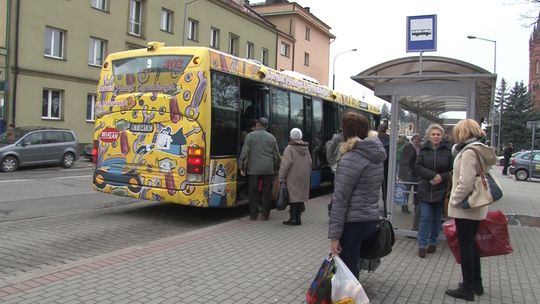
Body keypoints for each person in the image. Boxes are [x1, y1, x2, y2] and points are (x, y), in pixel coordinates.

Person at [328, 112, 386, 278]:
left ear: (346, 132)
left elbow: (340, 200)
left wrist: (334, 236)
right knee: (353, 265)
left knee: (347, 269)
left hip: (353, 222)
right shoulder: (376, 154)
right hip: (370, 219)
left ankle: (350, 298)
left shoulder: (350, 159)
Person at [445, 119, 497, 301]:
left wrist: (454, 200)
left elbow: (465, 183)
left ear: (464, 133)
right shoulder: (479, 149)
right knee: (472, 245)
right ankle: (476, 283)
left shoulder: (468, 152)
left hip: (466, 206)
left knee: (466, 246)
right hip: (476, 206)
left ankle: (466, 288)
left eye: (458, 132)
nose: (455, 135)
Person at [415, 124, 453, 258]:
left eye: (438, 134)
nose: (436, 136)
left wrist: (441, 177)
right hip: (426, 187)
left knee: (437, 219)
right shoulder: (423, 149)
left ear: (442, 136)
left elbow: (452, 170)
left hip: (441, 189)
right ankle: (421, 244)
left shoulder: (448, 150)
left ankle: (433, 242)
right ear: (428, 136)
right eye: (433, 134)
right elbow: (418, 167)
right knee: (425, 217)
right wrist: (432, 176)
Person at [238, 117, 281, 221]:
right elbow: (277, 155)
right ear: (266, 125)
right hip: (268, 169)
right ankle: (265, 215)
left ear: (257, 124)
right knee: (267, 192)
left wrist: (241, 167)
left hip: (253, 169)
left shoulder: (250, 136)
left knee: (253, 192)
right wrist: (276, 167)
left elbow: (244, 153)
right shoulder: (271, 137)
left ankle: (253, 216)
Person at [279, 128, 312, 226]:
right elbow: (310, 162)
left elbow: (286, 164)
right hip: (304, 175)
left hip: (292, 176)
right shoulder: (306, 147)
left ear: (291, 137)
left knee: (293, 197)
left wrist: (281, 177)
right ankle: (298, 219)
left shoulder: (290, 148)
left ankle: (293, 219)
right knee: (299, 197)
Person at [398, 134, 420, 215]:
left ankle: (416, 207)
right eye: (415, 139)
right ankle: (404, 205)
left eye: (418, 139)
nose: (417, 141)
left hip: (417, 173)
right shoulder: (407, 147)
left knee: (417, 192)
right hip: (408, 172)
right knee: (406, 190)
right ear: (412, 140)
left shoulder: (421, 148)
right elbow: (404, 160)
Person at [377, 123, 390, 204]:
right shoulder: (390, 139)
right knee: (385, 187)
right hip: (386, 167)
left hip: (375, 167)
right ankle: (386, 204)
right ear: (386, 130)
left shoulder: (374, 139)